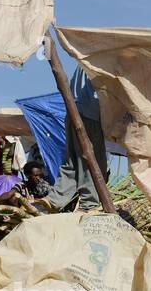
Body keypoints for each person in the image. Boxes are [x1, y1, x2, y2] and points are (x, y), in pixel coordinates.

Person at [46, 66, 109, 211]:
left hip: (72, 112)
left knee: (72, 162)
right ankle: (89, 205)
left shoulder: (84, 57)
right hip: (90, 114)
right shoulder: (103, 57)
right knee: (93, 162)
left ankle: (54, 200)